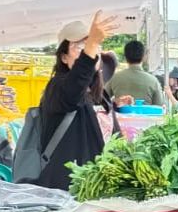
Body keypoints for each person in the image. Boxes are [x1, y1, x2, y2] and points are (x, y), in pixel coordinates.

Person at [34, 13, 120, 190]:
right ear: (64, 57)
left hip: (95, 188)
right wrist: (91, 45)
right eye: (79, 46)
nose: (88, 50)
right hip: (67, 190)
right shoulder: (58, 87)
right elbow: (75, 87)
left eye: (90, 44)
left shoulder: (99, 94)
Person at [110, 41, 164, 109]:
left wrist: (116, 101)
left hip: (119, 118)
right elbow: (159, 107)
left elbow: (101, 99)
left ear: (125, 57)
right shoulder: (153, 81)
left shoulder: (115, 78)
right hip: (146, 119)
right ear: (144, 57)